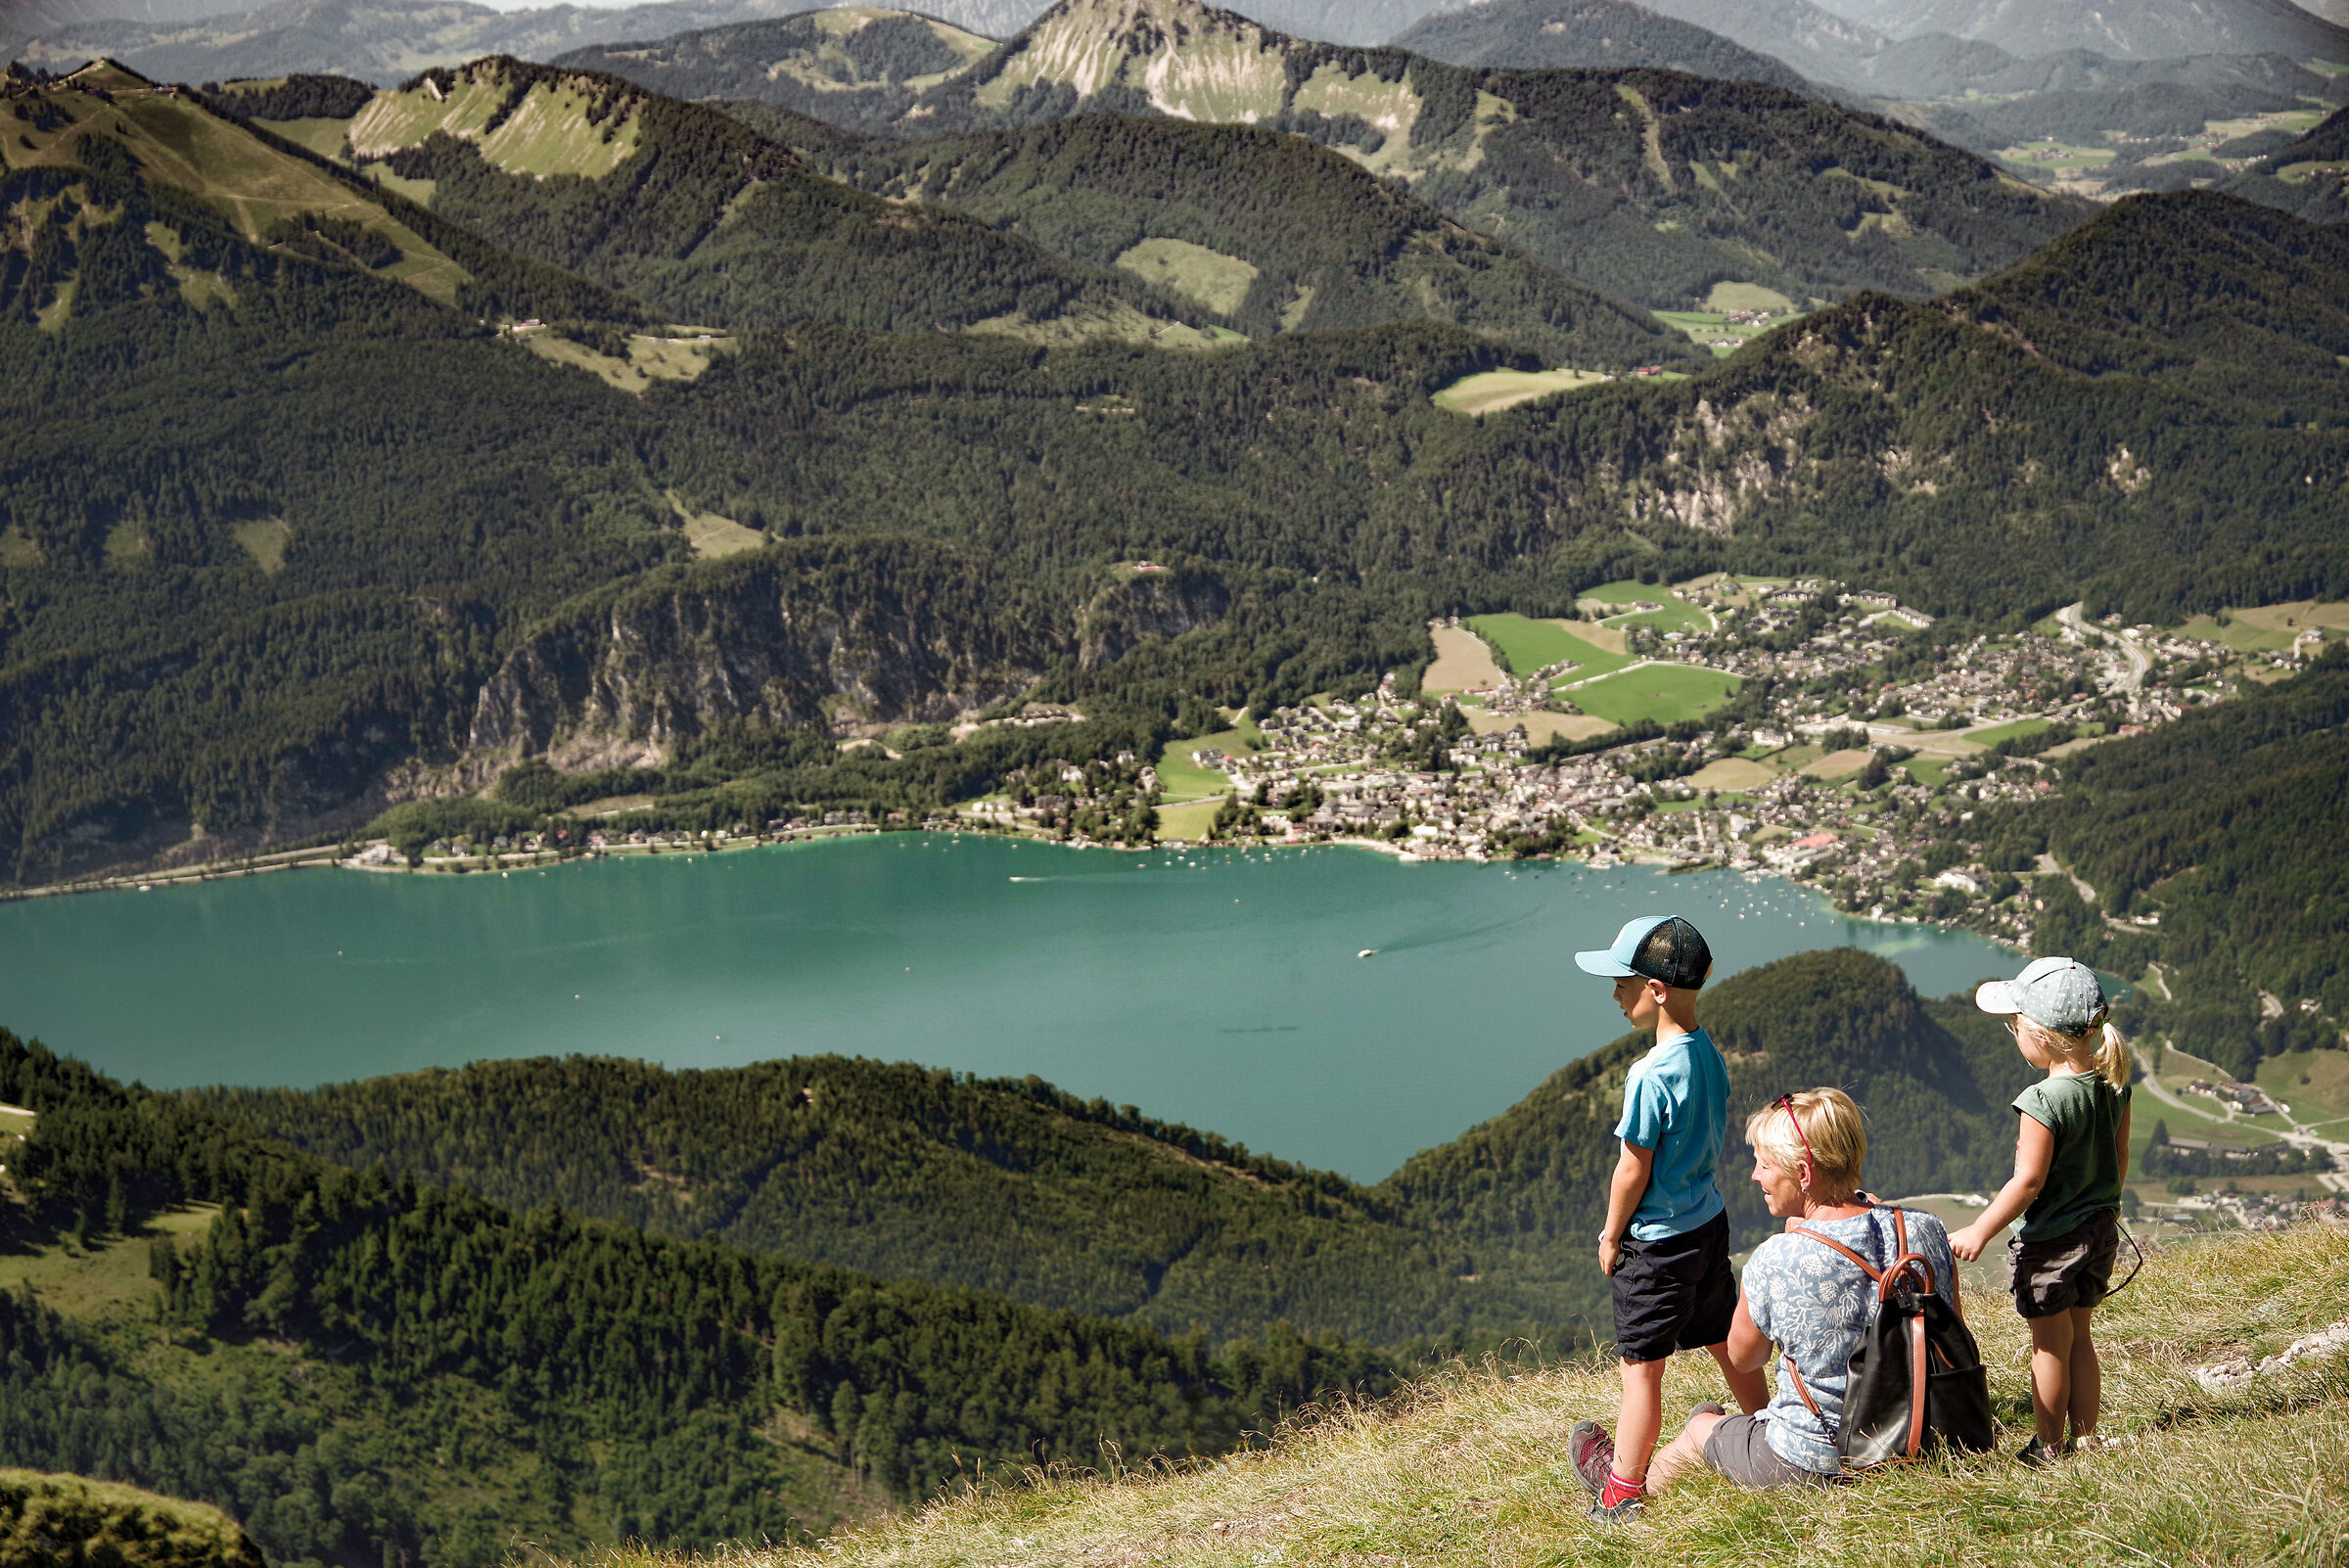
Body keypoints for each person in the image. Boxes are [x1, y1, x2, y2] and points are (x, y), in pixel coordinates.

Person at [1646, 1086, 1961, 1493]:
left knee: (1699, 1426)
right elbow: (1950, 1329)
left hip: (1815, 1461)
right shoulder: (1925, 1227)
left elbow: (1744, 1357)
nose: (1755, 1176)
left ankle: (1626, 1501)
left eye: (1763, 1165)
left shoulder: (1776, 1258)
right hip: (1928, 1439)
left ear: (1803, 1173)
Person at [1566, 915, 1769, 1520]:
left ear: (1656, 989)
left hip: (1655, 1245)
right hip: (1708, 1225)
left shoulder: (1649, 1074)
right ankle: (1766, 1431)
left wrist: (1610, 1235)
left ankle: (1622, 1493)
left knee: (1641, 1370)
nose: (1615, 993)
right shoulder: (1708, 1054)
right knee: (1724, 1341)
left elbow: (1631, 1169)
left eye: (1623, 981)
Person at [1951, 956, 2133, 1464]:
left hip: (2052, 1240)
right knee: (2081, 1337)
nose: (2015, 1037)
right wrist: (2103, 1205)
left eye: (2015, 1027)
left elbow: (2027, 1181)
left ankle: (2048, 1447)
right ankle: (2087, 1437)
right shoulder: (2114, 1082)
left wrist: (1980, 1230)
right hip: (2100, 1231)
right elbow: (2118, 1157)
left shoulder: (2042, 1099)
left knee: (2048, 1347)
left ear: (2041, 1035)